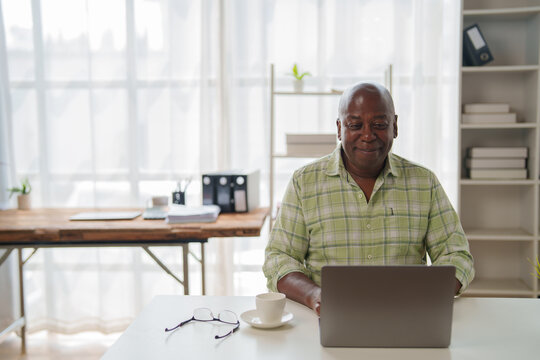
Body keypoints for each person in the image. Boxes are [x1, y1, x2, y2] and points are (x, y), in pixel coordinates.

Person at [263, 82, 474, 316]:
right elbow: (279, 257)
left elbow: (456, 255)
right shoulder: (304, 182)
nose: (367, 135)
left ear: (395, 126)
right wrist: (314, 295)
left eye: (379, 125)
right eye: (355, 125)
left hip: (409, 316)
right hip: (326, 318)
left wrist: (424, 295)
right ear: (339, 129)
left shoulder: (424, 182)